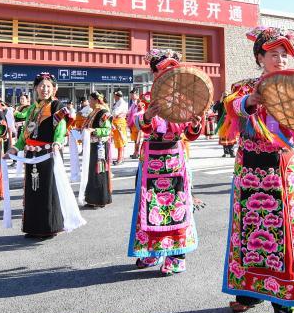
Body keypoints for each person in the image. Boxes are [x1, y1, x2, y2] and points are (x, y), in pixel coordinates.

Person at [219, 26, 294, 313]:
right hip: (249, 171)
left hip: (280, 171)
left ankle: (285, 303)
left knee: (283, 234)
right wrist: (252, 101)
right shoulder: (244, 88)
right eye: (274, 54)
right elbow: (232, 109)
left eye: (284, 55)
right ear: (259, 57)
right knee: (247, 232)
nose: (280, 60)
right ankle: (248, 293)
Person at [128, 49, 203, 275]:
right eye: (162, 71)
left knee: (176, 207)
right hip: (151, 159)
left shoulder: (185, 100)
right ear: (154, 74)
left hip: (175, 159)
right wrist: (147, 117)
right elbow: (137, 124)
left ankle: (176, 256)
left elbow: (189, 134)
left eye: (173, 71)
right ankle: (152, 251)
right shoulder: (146, 99)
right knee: (150, 206)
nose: (168, 76)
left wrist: (195, 125)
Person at [8, 73, 75, 238]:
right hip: (31, 155)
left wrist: (57, 142)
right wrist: (15, 148)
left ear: (54, 89)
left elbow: (60, 127)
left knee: (48, 190)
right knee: (32, 190)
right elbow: (26, 133)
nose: (45, 89)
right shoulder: (33, 109)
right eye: (41, 86)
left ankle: (49, 227)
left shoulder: (56, 106)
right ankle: (33, 227)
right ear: (36, 88)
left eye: (48, 86)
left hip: (48, 153)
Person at [81, 92, 113, 209]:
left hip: (100, 146)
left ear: (96, 100)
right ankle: (91, 199)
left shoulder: (103, 113)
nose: (89, 102)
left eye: (90, 99)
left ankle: (100, 200)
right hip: (92, 145)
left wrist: (94, 130)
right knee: (91, 172)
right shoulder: (93, 112)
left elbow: (107, 130)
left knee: (99, 171)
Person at [109, 91, 130, 165]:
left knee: (120, 140)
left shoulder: (122, 103)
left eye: (115, 96)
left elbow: (115, 112)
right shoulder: (119, 102)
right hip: (117, 122)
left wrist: (112, 114)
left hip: (119, 123)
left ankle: (120, 159)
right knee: (118, 141)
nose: (114, 97)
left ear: (117, 96)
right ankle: (120, 158)